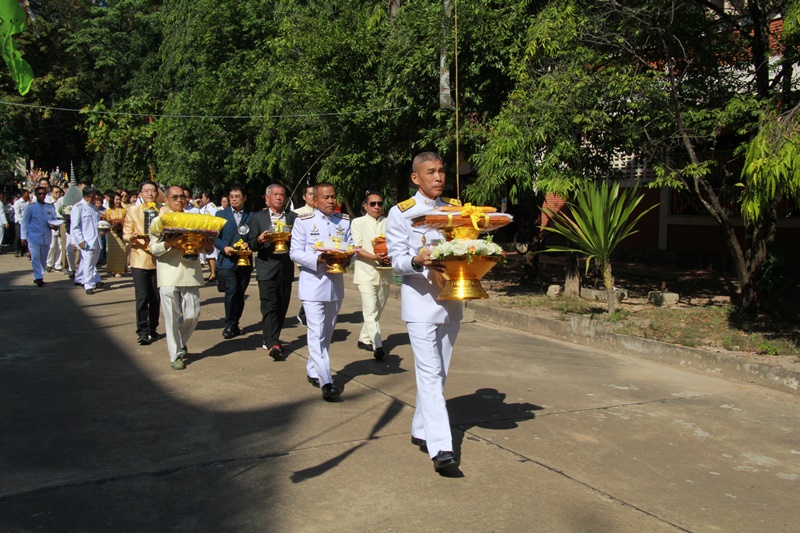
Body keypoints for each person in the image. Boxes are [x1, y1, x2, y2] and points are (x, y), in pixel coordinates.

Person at [385, 152, 463, 473]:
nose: (438, 177)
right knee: (429, 374)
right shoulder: (401, 213)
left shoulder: (457, 210)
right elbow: (396, 261)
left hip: (451, 300)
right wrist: (418, 262)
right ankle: (441, 448)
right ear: (416, 178)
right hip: (420, 303)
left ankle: (420, 428)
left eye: (442, 171)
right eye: (430, 172)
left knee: (439, 371)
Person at [289, 182, 353, 401]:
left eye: (333, 197)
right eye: (326, 198)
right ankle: (327, 381)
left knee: (326, 333)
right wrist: (318, 259)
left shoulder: (343, 221)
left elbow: (350, 245)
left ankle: (312, 369)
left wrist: (346, 255)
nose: (330, 201)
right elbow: (295, 252)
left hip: (334, 285)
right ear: (314, 200)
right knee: (316, 332)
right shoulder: (303, 222)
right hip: (313, 284)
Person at [149, 186, 214, 370]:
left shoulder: (195, 220)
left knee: (193, 314)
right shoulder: (159, 221)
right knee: (170, 317)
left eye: (182, 197)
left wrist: (208, 247)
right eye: (175, 197)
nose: (179, 200)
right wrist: (167, 243)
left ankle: (180, 341)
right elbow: (153, 249)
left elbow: (204, 248)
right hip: (168, 272)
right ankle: (175, 354)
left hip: (190, 272)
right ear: (167, 200)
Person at [248, 184, 297, 360]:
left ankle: (272, 336)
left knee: (282, 305)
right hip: (266, 267)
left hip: (285, 268)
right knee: (269, 305)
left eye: (282, 195)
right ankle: (272, 342)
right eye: (275, 195)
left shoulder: (293, 217)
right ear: (267, 198)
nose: (278, 198)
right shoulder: (258, 217)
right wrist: (260, 239)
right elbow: (251, 243)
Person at [352, 191, 393, 360]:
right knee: (370, 310)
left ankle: (364, 338)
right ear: (365, 206)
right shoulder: (357, 222)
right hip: (365, 272)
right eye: (373, 204)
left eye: (380, 204)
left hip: (385, 272)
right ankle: (378, 345)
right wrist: (375, 257)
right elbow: (357, 248)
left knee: (378, 309)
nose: (377, 207)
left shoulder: (388, 222)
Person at [123, 180, 162, 345]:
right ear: (140, 194)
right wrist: (132, 237)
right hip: (139, 258)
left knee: (155, 296)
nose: (150, 194)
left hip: (157, 259)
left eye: (153, 191)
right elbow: (126, 233)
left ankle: (153, 327)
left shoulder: (162, 210)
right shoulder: (133, 210)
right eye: (146, 191)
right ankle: (142, 330)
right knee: (142, 295)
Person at [214, 184, 254, 339]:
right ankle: (229, 324)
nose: (234, 199)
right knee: (231, 291)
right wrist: (224, 248)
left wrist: (248, 244)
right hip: (227, 261)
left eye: (237, 196)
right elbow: (214, 237)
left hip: (244, 261)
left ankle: (235, 323)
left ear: (244, 198)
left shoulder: (251, 216)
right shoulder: (220, 214)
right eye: (231, 197)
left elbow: (253, 236)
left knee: (240, 293)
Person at [20, 186, 57, 287]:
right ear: (36, 195)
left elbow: (54, 219)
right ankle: (38, 277)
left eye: (43, 194)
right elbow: (24, 222)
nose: (42, 196)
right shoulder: (30, 207)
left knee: (43, 258)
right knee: (35, 257)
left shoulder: (50, 207)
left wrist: (55, 225)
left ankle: (39, 275)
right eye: (39, 193)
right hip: (34, 236)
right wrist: (23, 237)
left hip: (46, 236)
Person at [71, 187, 103, 295]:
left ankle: (79, 278)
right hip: (86, 240)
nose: (96, 198)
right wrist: (79, 240)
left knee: (91, 262)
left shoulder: (93, 207)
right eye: (94, 196)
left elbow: (96, 223)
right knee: (88, 262)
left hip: (96, 239)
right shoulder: (78, 207)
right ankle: (88, 284)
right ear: (89, 196)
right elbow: (75, 226)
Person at [292, 185, 316, 327]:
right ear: (303, 197)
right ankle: (306, 314)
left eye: (315, 194)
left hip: (321, 257)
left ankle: (305, 313)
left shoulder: (323, 212)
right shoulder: (297, 214)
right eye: (310, 194)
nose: (313, 197)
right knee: (310, 287)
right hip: (305, 258)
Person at [104, 192, 129, 277]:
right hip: (112, 233)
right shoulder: (108, 210)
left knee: (122, 250)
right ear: (113, 200)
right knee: (111, 252)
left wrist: (120, 221)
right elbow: (106, 221)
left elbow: (127, 220)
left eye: (119, 199)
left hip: (121, 232)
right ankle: (110, 270)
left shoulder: (124, 210)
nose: (118, 201)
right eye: (116, 199)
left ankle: (119, 270)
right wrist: (113, 222)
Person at [198, 191, 219, 282]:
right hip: (205, 232)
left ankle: (214, 274)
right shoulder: (205, 207)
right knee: (207, 255)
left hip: (211, 233)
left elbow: (214, 219)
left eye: (203, 197)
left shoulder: (212, 207)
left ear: (208, 199)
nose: (201, 199)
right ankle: (212, 273)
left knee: (211, 255)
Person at [45, 186, 65, 272]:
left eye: (59, 192)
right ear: (52, 192)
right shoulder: (48, 202)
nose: (58, 194)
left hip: (61, 222)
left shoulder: (63, 201)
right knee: (52, 245)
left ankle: (57, 264)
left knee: (60, 245)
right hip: (52, 224)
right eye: (56, 192)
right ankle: (49, 263)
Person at [13, 190, 30, 258]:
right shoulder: (17, 203)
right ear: (23, 195)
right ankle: (16, 250)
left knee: (26, 236)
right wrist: (21, 222)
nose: (28, 195)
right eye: (27, 194)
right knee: (18, 236)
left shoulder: (29, 202)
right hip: (19, 221)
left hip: (27, 221)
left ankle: (24, 250)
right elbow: (17, 213)